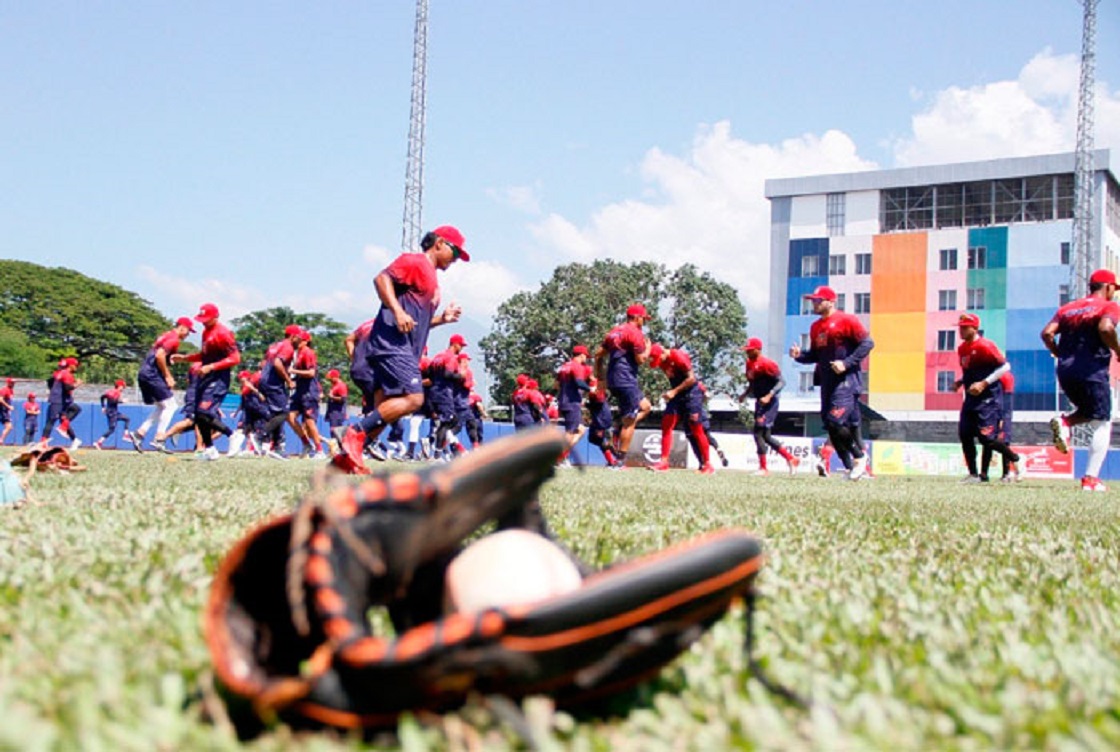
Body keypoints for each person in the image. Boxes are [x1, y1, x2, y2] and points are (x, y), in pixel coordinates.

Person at [335, 225, 468, 459]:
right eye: (455, 252)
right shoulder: (415, 262)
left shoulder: (432, 277)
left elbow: (416, 320)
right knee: (414, 398)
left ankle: (346, 459)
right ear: (439, 243)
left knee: (387, 409)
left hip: (403, 346)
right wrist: (396, 311)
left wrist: (442, 320)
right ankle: (352, 432)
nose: (456, 260)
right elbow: (381, 278)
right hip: (393, 343)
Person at [1040, 268, 1120, 492]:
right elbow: (1106, 328)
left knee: (1092, 413)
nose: (1114, 293)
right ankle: (1090, 479)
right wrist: (1117, 349)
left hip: (1065, 372)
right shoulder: (1108, 306)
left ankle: (1066, 422)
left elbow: (1047, 333)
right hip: (1092, 371)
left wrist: (1057, 351)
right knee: (1103, 421)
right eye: (1114, 289)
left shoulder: (1067, 308)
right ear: (1108, 287)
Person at [790, 286, 874, 480]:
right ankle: (851, 468)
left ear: (831, 301)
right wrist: (799, 356)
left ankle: (860, 458)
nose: (814, 303)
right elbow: (814, 355)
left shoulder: (847, 320)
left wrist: (846, 363)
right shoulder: (816, 327)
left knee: (836, 421)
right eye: (813, 300)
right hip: (827, 383)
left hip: (846, 382)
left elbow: (868, 343)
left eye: (818, 300)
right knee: (831, 425)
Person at [954, 313, 1020, 483]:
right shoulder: (962, 349)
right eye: (960, 327)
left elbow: (1005, 366)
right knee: (965, 434)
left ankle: (1014, 458)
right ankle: (974, 474)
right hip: (970, 398)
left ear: (974, 328)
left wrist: (984, 383)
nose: (960, 331)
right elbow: (970, 372)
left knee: (987, 439)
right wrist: (961, 382)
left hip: (988, 399)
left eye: (964, 327)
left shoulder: (985, 346)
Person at [171, 303, 241, 461]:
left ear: (216, 317)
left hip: (219, 378)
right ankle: (210, 449)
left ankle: (233, 435)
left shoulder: (223, 333)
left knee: (204, 412)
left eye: (206, 319)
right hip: (206, 376)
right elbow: (204, 355)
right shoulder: (206, 332)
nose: (203, 322)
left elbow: (236, 358)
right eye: (202, 319)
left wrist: (212, 366)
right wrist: (185, 358)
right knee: (198, 415)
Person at [594, 303, 653, 460]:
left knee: (645, 407)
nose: (644, 322)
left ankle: (619, 426)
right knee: (630, 421)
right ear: (637, 318)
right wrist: (648, 348)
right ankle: (620, 460)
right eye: (643, 319)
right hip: (626, 379)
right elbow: (640, 360)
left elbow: (598, 355)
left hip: (614, 379)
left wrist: (600, 377)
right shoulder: (635, 333)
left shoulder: (614, 332)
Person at [648, 343, 714, 474]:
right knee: (667, 423)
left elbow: (691, 378)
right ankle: (664, 462)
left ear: (663, 353)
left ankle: (707, 464)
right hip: (677, 394)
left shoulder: (678, 356)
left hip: (691, 393)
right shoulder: (662, 362)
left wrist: (674, 391)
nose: (659, 364)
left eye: (658, 359)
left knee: (696, 427)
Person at [739, 338, 799, 476]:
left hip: (769, 403)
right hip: (759, 402)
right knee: (765, 436)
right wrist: (745, 394)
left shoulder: (767, 364)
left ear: (757, 349)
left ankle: (764, 468)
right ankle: (791, 458)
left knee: (758, 432)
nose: (747, 353)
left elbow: (782, 382)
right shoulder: (749, 364)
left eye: (749, 350)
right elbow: (753, 383)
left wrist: (769, 395)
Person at [258, 324, 304, 456]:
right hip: (273, 383)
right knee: (284, 413)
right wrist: (289, 381)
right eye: (299, 338)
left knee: (275, 414)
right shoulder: (288, 347)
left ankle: (276, 446)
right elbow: (278, 363)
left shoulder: (275, 346)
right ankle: (261, 434)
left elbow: (263, 363)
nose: (300, 341)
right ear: (293, 336)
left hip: (264, 380)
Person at [289, 331, 326, 458]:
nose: (296, 341)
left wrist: (292, 371)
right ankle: (306, 443)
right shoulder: (298, 353)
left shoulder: (308, 353)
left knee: (310, 422)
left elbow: (311, 373)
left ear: (305, 341)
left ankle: (320, 450)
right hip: (300, 391)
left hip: (309, 392)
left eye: (299, 339)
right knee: (290, 416)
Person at [981, 370, 1019, 482]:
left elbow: (1005, 399)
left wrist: (1002, 417)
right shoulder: (999, 375)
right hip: (995, 411)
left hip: (1000, 411)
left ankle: (1006, 473)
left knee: (1002, 442)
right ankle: (984, 474)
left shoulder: (1002, 376)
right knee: (988, 441)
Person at [557, 345, 593, 458]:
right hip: (572, 402)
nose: (586, 358)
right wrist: (590, 389)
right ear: (582, 355)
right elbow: (579, 383)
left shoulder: (564, 366)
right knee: (570, 432)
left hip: (563, 401)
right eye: (586, 356)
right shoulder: (577, 366)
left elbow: (556, 385)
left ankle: (561, 456)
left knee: (581, 430)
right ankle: (556, 458)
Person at [41, 357, 82, 450]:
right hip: (58, 400)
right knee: (51, 421)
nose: (76, 367)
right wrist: (77, 384)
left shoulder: (59, 373)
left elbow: (50, 381)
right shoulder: (66, 374)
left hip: (63, 400)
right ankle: (43, 442)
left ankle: (73, 438)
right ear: (70, 365)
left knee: (70, 414)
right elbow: (68, 388)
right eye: (75, 365)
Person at [94, 379, 133, 450]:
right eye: (123, 387)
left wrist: (103, 407)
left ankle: (126, 435)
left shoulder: (111, 391)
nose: (123, 388)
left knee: (127, 419)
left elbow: (102, 397)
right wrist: (122, 401)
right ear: (119, 386)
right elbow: (113, 401)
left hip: (113, 412)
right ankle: (98, 442)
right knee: (111, 429)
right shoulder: (116, 392)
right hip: (112, 413)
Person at [324, 369, 349, 449]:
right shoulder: (334, 386)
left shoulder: (341, 386)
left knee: (336, 431)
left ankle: (339, 449)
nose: (330, 380)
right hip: (332, 412)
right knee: (333, 431)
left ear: (335, 377)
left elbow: (343, 399)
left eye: (330, 378)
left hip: (337, 412)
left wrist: (332, 397)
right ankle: (335, 449)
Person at [0, 377, 14, 445]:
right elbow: (0, 399)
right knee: (9, 426)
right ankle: (1, 440)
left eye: (13, 383)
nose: (13, 384)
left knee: (9, 427)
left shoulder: (11, 390)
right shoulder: (4, 389)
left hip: (6, 411)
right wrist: (8, 406)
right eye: (11, 382)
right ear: (8, 382)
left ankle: (1, 440)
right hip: (3, 410)